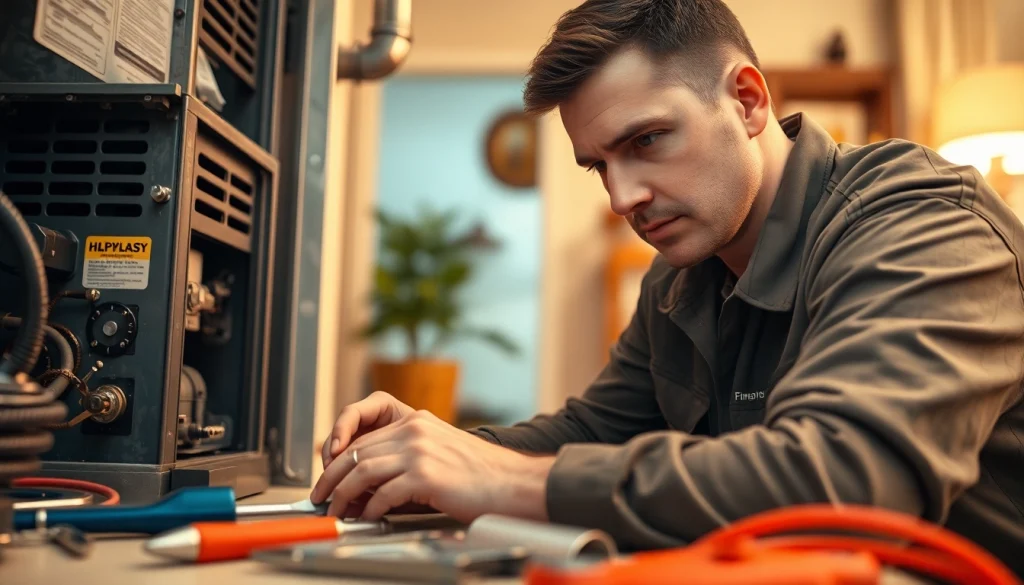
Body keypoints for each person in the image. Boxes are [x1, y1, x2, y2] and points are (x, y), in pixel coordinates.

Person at [310, 0, 1024, 573]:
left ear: (747, 100)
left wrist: (499, 478)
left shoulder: (921, 223)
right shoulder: (680, 279)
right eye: (598, 165)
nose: (622, 198)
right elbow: (591, 432)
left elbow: (847, 478)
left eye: (646, 140)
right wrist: (425, 455)